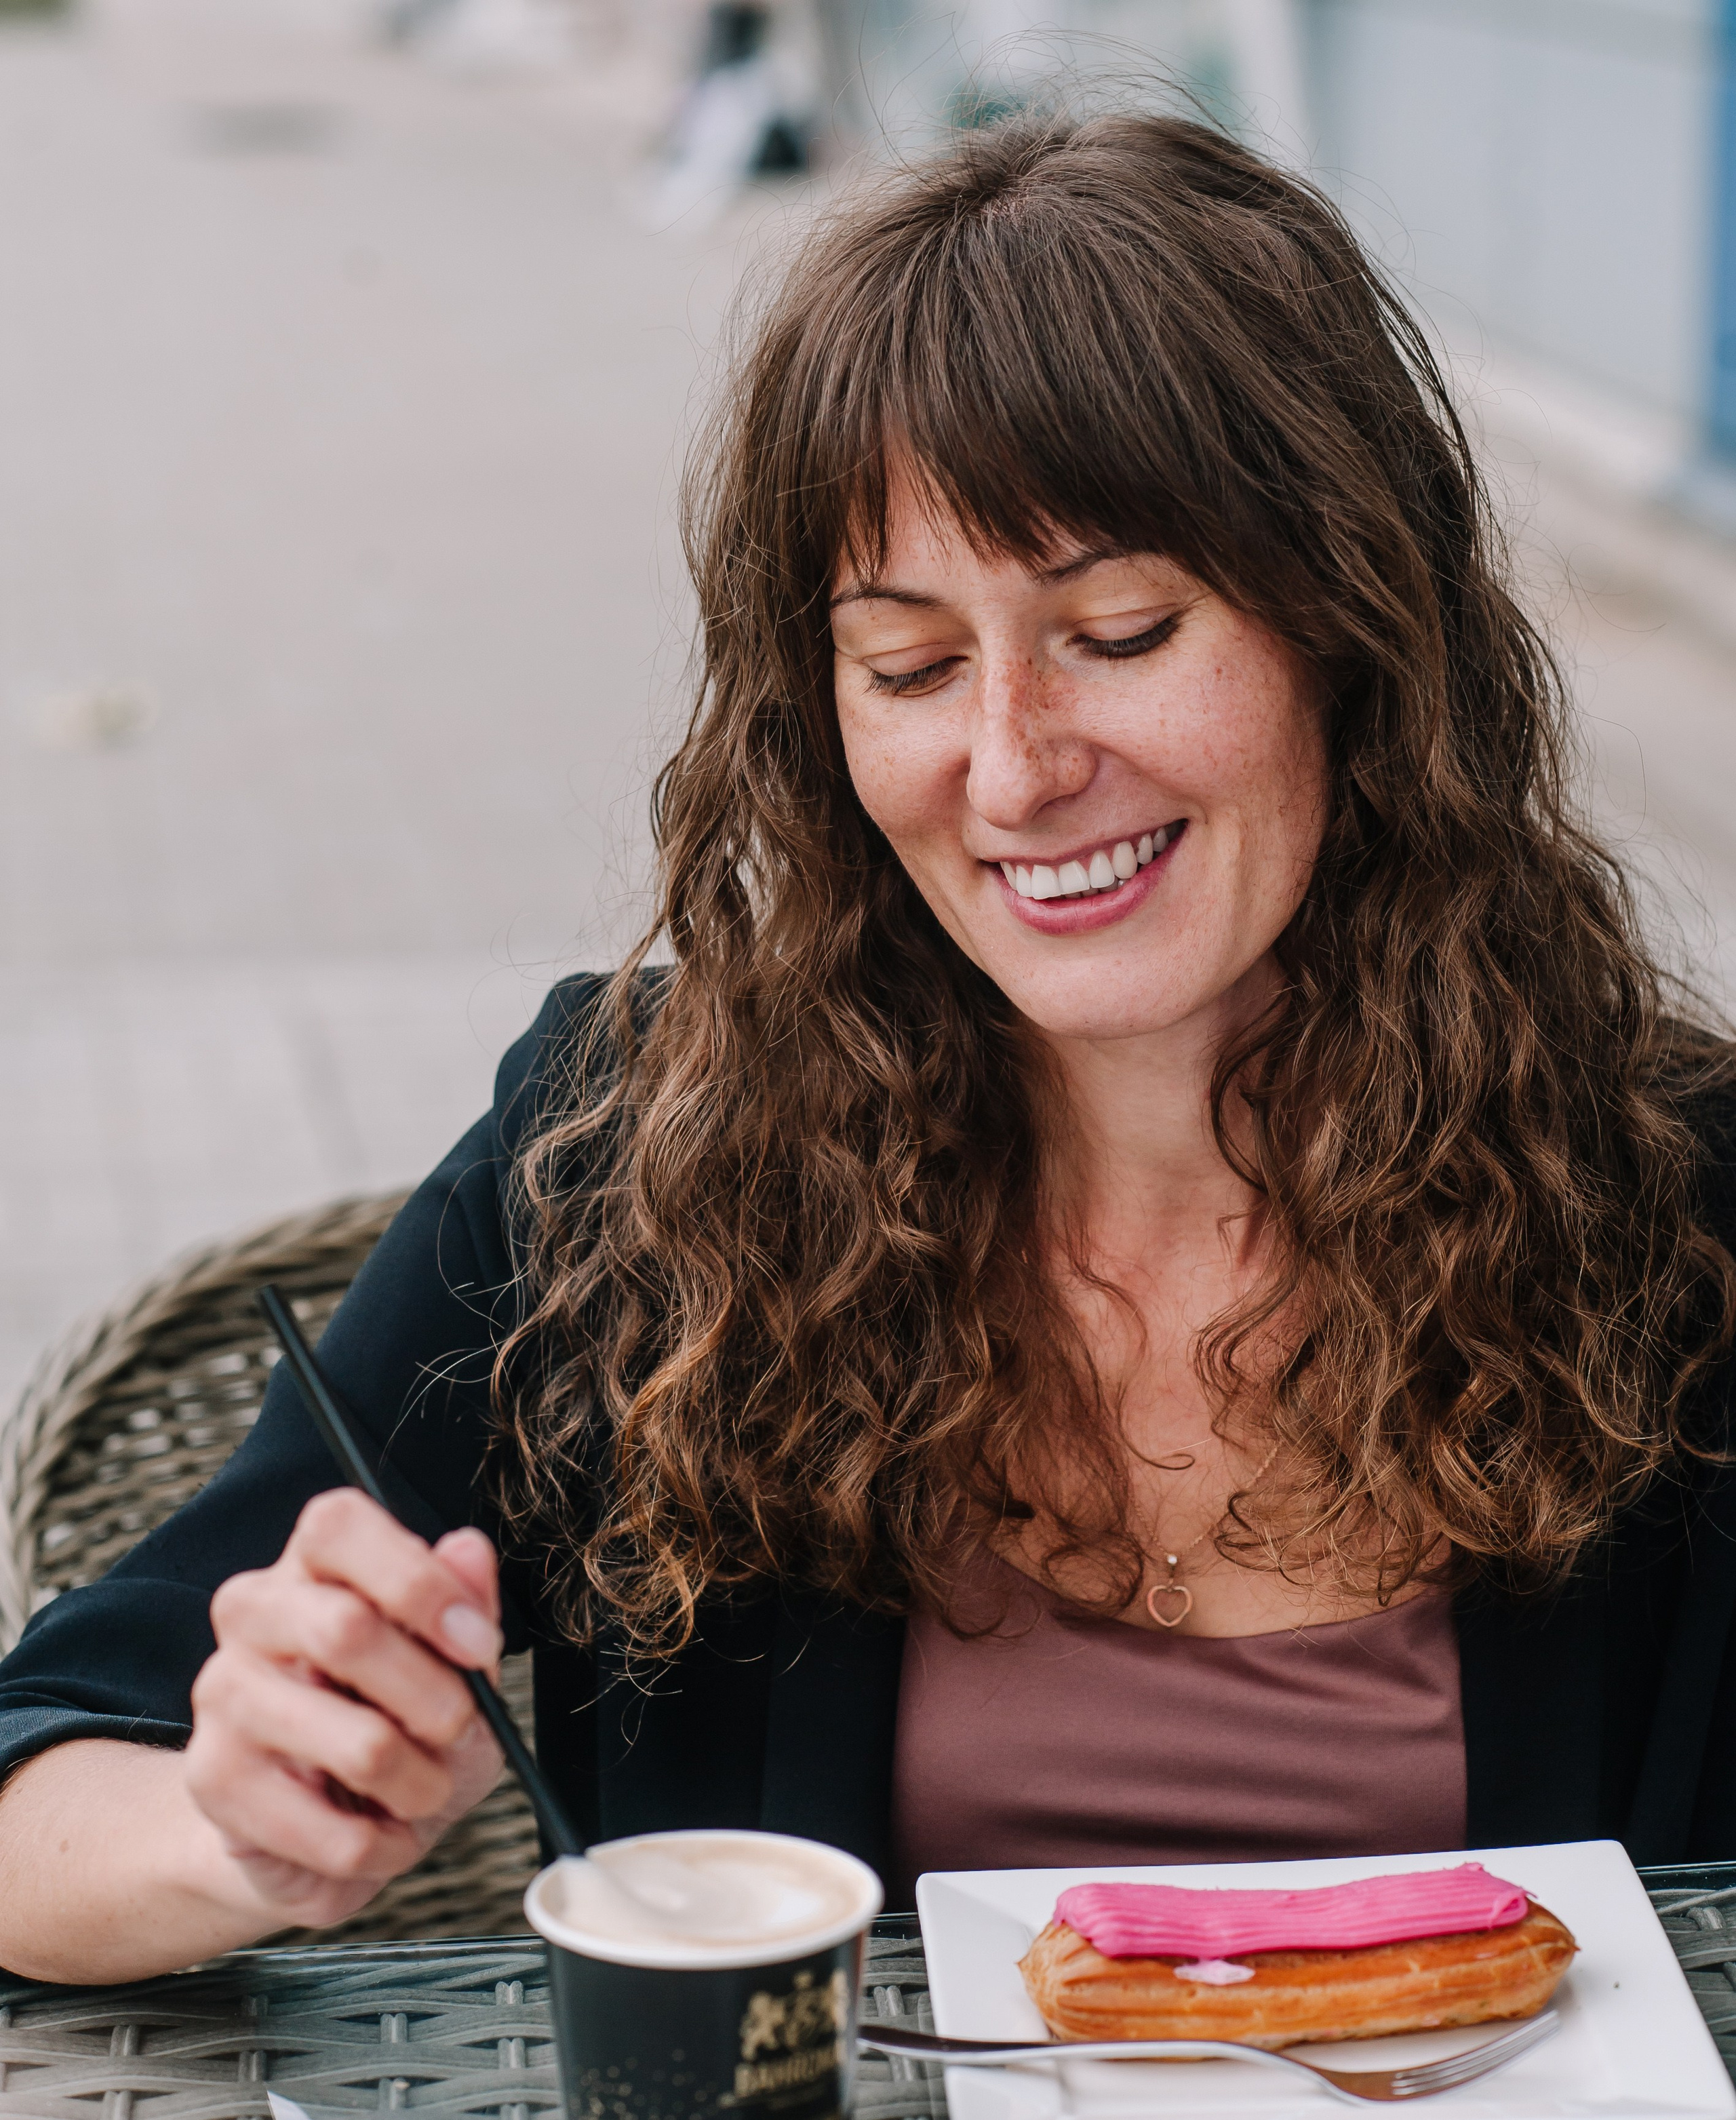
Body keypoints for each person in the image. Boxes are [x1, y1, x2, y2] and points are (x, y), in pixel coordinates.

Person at [3, 108, 1735, 1987]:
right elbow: (41, 1798)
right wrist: (233, 1830)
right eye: (908, 666)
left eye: (1121, 629)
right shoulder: (641, 1172)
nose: (1011, 766)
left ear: (1354, 629)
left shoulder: (1683, 1205)